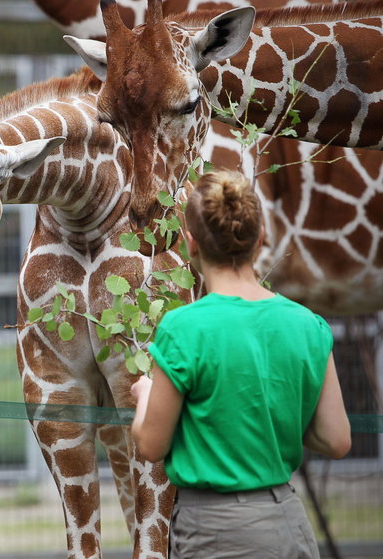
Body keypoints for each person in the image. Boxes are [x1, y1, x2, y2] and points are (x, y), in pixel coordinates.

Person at [130, 170, 352, 559]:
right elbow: (336, 439)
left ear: (191, 244)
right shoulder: (308, 325)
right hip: (287, 520)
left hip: (215, 532)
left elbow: (150, 444)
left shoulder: (184, 329)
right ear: (260, 238)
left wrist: (145, 395)